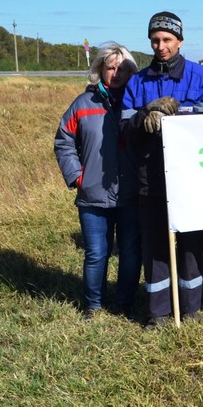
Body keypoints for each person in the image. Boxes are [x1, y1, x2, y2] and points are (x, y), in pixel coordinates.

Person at [122, 12, 203, 327]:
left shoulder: (200, 76)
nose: (160, 46)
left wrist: (179, 121)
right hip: (150, 179)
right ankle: (158, 313)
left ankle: (190, 310)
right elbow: (124, 128)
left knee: (191, 248)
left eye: (167, 39)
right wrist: (144, 116)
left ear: (179, 40)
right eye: (155, 40)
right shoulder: (138, 80)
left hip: (190, 178)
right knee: (155, 250)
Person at [54, 43, 142, 321]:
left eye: (122, 68)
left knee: (130, 252)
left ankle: (125, 302)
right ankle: (93, 306)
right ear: (100, 69)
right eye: (110, 67)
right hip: (93, 193)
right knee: (96, 253)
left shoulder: (136, 102)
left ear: (131, 71)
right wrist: (77, 176)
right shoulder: (82, 104)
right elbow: (63, 141)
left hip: (131, 193)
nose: (116, 73)